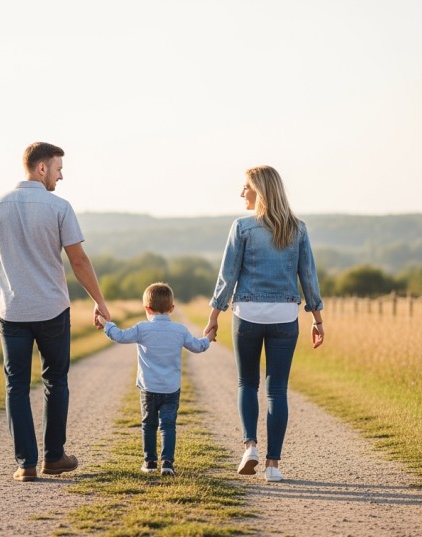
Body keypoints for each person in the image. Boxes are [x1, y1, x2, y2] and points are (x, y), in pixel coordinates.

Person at [0, 141, 111, 482]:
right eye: (58, 169)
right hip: (52, 309)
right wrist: (100, 301)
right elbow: (78, 260)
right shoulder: (59, 207)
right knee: (55, 382)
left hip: (12, 310)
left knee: (16, 387)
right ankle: (53, 457)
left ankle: (26, 464)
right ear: (41, 168)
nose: (61, 177)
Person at [203, 165, 325, 483]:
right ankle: (273, 465)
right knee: (278, 390)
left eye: (246, 187)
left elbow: (227, 275)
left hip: (248, 316)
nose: (241, 193)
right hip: (285, 317)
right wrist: (317, 317)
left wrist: (214, 315)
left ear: (260, 190)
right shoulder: (298, 228)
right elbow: (308, 276)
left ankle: (250, 447)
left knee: (247, 383)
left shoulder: (242, 227)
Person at [96, 282, 214, 476]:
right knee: (168, 425)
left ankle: (150, 463)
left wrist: (106, 323)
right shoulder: (180, 330)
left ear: (146, 309)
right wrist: (209, 337)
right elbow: (198, 346)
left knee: (148, 425)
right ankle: (167, 463)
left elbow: (119, 336)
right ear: (172, 308)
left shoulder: (142, 328)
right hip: (171, 389)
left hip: (148, 389)